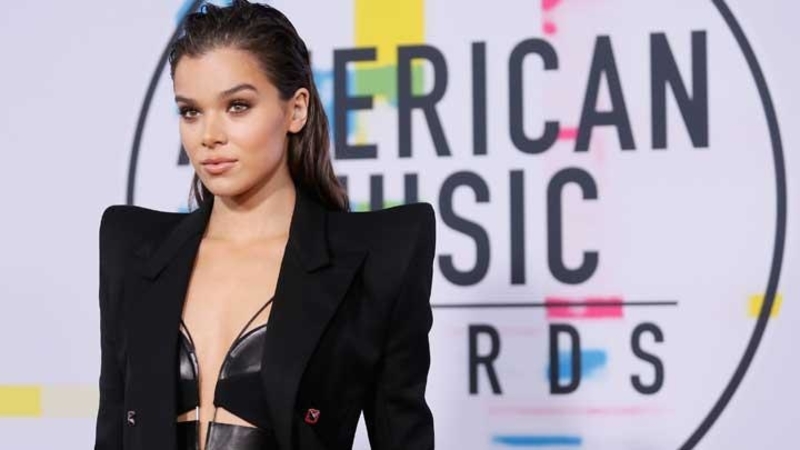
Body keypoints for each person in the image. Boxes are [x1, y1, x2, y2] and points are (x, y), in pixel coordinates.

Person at [93, 1, 436, 449]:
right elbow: (113, 430)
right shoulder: (132, 250)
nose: (209, 135)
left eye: (237, 106)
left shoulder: (378, 259)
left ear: (296, 110)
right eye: (190, 111)